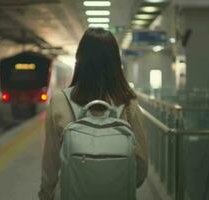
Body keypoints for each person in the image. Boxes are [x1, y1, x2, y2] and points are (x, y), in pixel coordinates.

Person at [38, 28, 148, 200]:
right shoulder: (128, 103)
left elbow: (50, 166)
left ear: (79, 61)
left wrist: (45, 195)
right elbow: (141, 170)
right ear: (115, 62)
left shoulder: (60, 101)